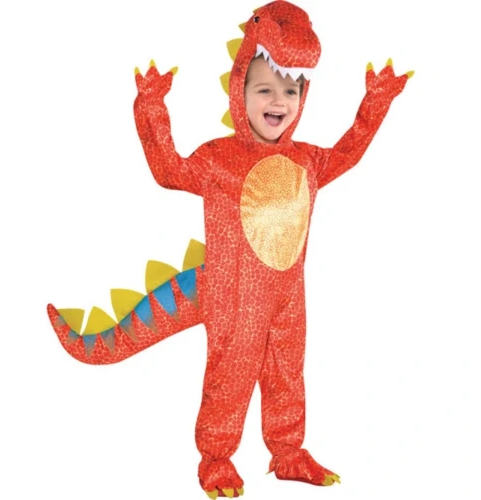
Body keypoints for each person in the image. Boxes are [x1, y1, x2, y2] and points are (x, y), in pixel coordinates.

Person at [48, 1, 411, 498]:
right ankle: (216, 459)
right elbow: (168, 171)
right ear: (239, 90)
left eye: (290, 90)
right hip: (231, 295)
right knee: (231, 376)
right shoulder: (218, 158)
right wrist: (151, 107)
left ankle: (287, 451)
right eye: (264, 89)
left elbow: (349, 151)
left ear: (303, 97)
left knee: (287, 371)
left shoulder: (308, 160)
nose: (278, 100)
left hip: (288, 297)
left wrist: (377, 102)